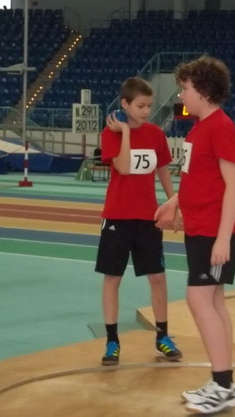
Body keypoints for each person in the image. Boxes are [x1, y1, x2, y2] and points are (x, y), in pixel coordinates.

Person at [155, 56, 235, 414]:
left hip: (214, 230)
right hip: (200, 227)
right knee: (214, 302)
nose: (181, 95)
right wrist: (175, 203)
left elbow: (233, 185)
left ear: (204, 91)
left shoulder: (221, 127)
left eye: (185, 88)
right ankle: (224, 382)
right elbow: (198, 178)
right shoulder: (198, 128)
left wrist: (222, 238)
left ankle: (222, 385)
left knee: (199, 300)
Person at [95, 77, 182, 366]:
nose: (146, 111)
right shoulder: (110, 133)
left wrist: (174, 204)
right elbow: (122, 167)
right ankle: (112, 341)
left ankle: (163, 336)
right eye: (141, 106)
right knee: (112, 279)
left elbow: (163, 170)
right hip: (117, 217)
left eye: (149, 106)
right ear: (125, 104)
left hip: (148, 217)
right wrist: (125, 133)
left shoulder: (156, 134)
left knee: (157, 277)